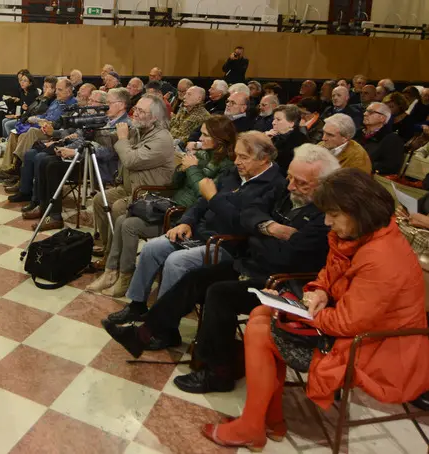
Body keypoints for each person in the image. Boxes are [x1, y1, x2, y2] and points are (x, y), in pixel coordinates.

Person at [201, 169, 429, 451]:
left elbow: (348, 324)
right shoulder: (358, 236)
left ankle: (254, 425)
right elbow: (328, 275)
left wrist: (302, 310)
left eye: (333, 214)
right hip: (352, 327)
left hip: (376, 347)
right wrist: (317, 291)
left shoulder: (382, 258)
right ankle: (269, 420)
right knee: (263, 315)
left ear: (359, 211)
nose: (327, 221)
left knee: (262, 330)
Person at [104, 145, 338, 379]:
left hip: (279, 283)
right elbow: (249, 214)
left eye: (301, 183)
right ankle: (145, 334)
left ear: (323, 184)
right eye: (290, 178)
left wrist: (256, 234)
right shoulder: (284, 193)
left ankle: (216, 371)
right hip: (250, 263)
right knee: (195, 278)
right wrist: (269, 228)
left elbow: (284, 256)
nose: (290, 186)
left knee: (218, 293)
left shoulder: (325, 217)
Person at [102, 132, 285, 324]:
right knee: (151, 249)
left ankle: (161, 325)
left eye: (244, 157)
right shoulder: (234, 172)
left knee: (176, 261)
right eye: (237, 155)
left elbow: (242, 224)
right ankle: (136, 305)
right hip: (201, 232)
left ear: (264, 159)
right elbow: (201, 201)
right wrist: (186, 221)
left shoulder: (273, 186)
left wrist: (214, 198)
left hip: (228, 244)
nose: (237, 161)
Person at [87, 115, 236, 297]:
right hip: (173, 206)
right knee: (121, 220)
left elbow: (205, 197)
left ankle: (125, 278)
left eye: (205, 135)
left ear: (220, 138)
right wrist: (181, 170)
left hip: (184, 216)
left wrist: (191, 169)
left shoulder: (228, 167)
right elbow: (176, 184)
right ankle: (112, 272)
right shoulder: (203, 155)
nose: (200, 138)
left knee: (128, 225)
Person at [24, 90, 130, 230]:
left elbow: (109, 152)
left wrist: (74, 152)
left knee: (51, 165)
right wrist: (66, 148)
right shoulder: (105, 119)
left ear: (121, 105)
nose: (105, 106)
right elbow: (82, 138)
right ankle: (44, 207)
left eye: (108, 103)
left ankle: (55, 216)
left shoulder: (125, 125)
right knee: (45, 160)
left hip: (100, 167)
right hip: (87, 160)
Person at [90, 94, 176, 247]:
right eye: (136, 109)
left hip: (149, 194)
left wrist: (122, 139)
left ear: (155, 118)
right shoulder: (139, 130)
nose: (135, 113)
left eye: (141, 111)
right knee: (99, 199)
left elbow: (131, 161)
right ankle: (106, 247)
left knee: (118, 207)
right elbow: (113, 146)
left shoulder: (162, 139)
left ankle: (114, 256)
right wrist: (95, 129)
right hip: (131, 187)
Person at [0, 70, 40, 159]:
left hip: (27, 119)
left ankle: (9, 146)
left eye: (24, 80)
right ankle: (6, 143)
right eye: (21, 80)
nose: (21, 82)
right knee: (4, 120)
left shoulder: (33, 94)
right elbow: (22, 108)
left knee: (7, 124)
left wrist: (18, 115)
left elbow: (32, 111)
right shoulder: (22, 92)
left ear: (30, 83)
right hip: (21, 116)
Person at [359, 102, 405, 175]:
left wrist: (361, 165)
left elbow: (390, 167)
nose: (365, 114)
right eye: (365, 110)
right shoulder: (357, 132)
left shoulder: (391, 139)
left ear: (382, 118)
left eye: (370, 112)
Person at [188, 92, 252, 143]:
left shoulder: (245, 125)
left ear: (243, 108)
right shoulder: (217, 114)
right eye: (227, 101)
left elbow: (224, 143)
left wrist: (197, 145)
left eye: (232, 103)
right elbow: (197, 131)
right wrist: (191, 141)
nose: (227, 104)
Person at [266, 105, 308, 174]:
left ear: (291, 124)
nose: (273, 122)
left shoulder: (298, 142)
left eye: (278, 119)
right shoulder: (275, 136)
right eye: (274, 119)